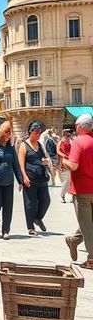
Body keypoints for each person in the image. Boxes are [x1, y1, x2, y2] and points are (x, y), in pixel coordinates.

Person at [63, 114, 93, 267]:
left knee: (87, 224)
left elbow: (73, 165)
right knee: (89, 222)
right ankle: (74, 240)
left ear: (80, 126)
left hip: (82, 189)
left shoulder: (78, 142)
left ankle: (91, 259)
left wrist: (64, 161)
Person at [18, 121, 51, 236]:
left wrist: (45, 162)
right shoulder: (24, 145)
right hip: (30, 179)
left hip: (42, 178)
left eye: (39, 133)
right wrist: (24, 177)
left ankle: (38, 218)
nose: (38, 135)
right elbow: (21, 163)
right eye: (36, 132)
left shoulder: (40, 145)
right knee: (30, 204)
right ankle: (30, 227)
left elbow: (43, 158)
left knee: (46, 200)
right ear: (30, 132)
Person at [58, 128, 74, 203]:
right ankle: (62, 195)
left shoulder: (72, 141)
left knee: (72, 180)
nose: (69, 133)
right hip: (64, 162)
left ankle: (71, 196)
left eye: (69, 132)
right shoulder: (61, 141)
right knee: (67, 180)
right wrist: (64, 156)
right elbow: (58, 151)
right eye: (68, 132)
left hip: (72, 161)